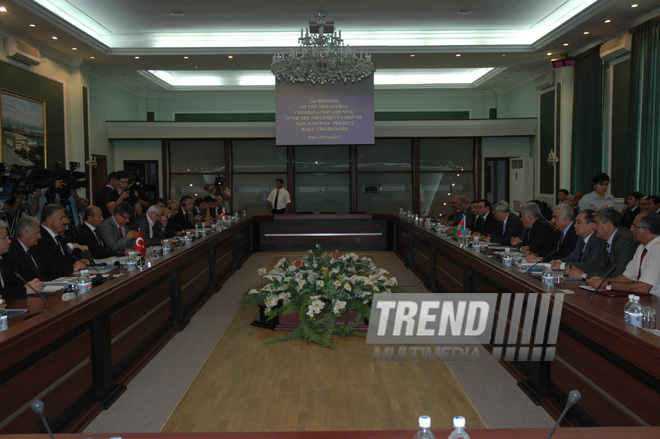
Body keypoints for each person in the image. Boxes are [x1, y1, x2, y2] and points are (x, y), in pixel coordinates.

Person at [586, 212, 660, 296]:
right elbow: (627, 277)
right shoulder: (642, 247)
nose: (631, 229)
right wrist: (603, 281)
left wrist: (608, 285)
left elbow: (644, 287)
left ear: (646, 231)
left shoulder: (657, 248)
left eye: (634, 226)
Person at [566, 207, 637, 280]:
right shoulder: (603, 239)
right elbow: (598, 265)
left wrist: (584, 275)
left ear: (608, 225)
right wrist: (576, 269)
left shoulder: (624, 240)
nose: (593, 227)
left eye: (596, 223)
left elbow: (617, 272)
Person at [33, 204, 88, 280]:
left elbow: (64, 259)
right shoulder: (40, 238)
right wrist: (72, 267)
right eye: (61, 218)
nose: (64, 221)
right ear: (50, 220)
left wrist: (78, 262)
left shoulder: (58, 236)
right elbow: (48, 267)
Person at [0, 219, 43, 299]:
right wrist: (25, 289)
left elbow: (9, 287)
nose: (9, 241)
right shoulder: (9, 255)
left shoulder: (3, 259)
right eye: (5, 238)